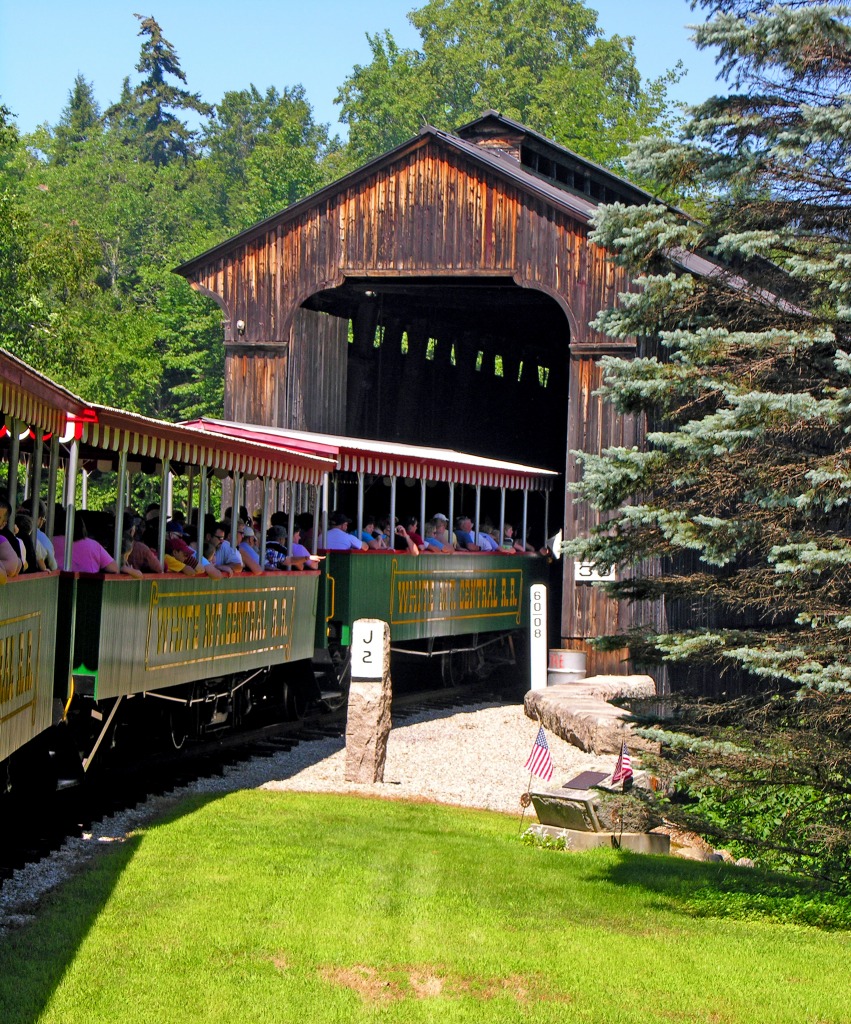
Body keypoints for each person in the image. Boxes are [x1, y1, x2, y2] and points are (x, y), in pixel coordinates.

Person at [54, 516, 122, 574]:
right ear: (82, 527)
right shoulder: (94, 545)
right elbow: (114, 568)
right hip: (89, 585)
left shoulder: (52, 541)